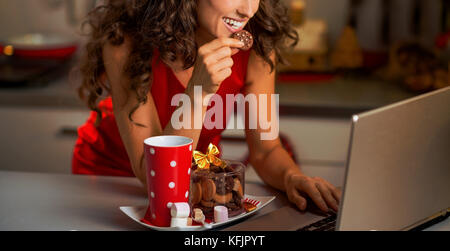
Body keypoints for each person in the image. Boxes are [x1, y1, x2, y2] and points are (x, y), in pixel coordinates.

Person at [73, 0, 341, 213]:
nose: (248, 9)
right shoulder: (126, 42)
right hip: (113, 182)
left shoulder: (258, 42)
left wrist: (292, 177)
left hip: (193, 182)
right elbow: (153, 175)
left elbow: (266, 149)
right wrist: (198, 92)